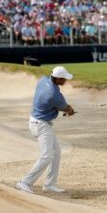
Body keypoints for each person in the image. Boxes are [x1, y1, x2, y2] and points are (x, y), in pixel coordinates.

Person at [16, 66, 76, 195]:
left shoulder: (43, 80)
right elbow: (66, 108)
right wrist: (70, 111)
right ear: (58, 79)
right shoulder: (54, 94)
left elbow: (58, 106)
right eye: (64, 79)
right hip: (41, 125)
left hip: (37, 121)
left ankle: (50, 184)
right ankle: (24, 182)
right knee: (47, 155)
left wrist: (64, 109)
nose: (66, 81)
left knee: (56, 152)